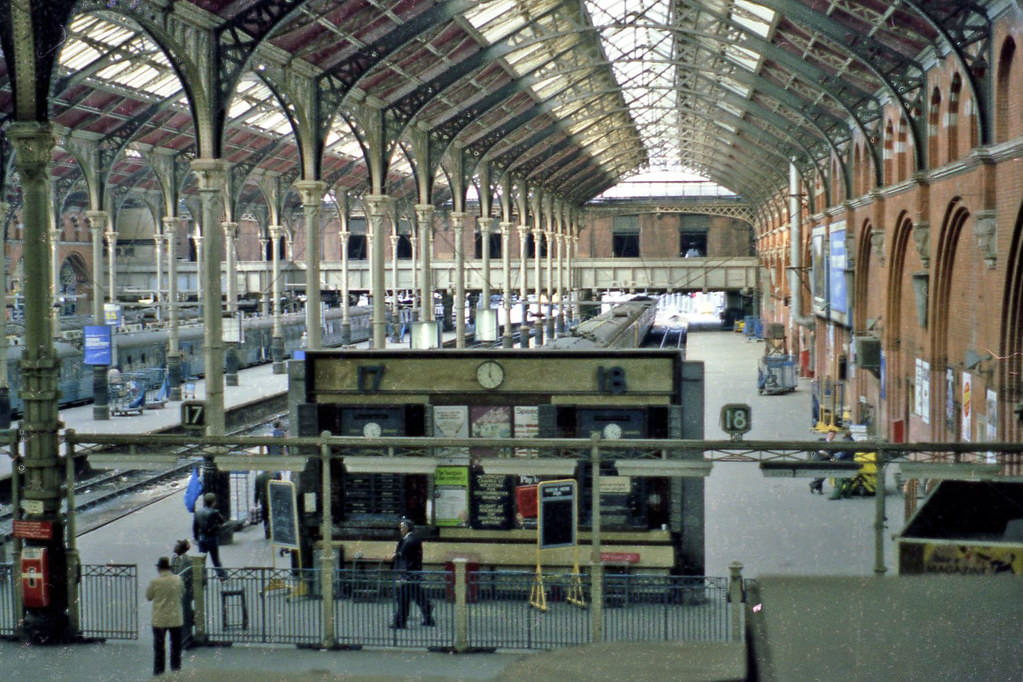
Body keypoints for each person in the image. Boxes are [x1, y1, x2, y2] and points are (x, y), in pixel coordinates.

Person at [389, 517, 434, 629]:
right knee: (418, 597)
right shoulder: (411, 539)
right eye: (400, 527)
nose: (401, 529)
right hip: (412, 574)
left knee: (403, 599)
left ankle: (400, 622)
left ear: (408, 528)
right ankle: (428, 616)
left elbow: (403, 556)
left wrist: (397, 557)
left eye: (403, 527)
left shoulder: (410, 540)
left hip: (409, 574)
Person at [146, 556, 184, 676]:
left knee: (159, 648)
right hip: (175, 618)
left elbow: (148, 596)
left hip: (159, 619)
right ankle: (176, 671)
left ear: (159, 569)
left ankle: (159, 672)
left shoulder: (155, 582)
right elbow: (182, 592)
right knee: (176, 647)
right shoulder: (178, 579)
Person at [193, 492, 227, 579]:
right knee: (215, 559)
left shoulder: (198, 512)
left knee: (202, 560)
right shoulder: (214, 512)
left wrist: (196, 538)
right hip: (211, 538)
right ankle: (222, 576)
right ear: (213, 502)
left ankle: (202, 578)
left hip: (201, 538)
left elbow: (195, 527)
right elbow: (222, 521)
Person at [170, 539, 194, 649]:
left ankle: (186, 639)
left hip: (184, 591)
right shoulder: (174, 558)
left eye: (176, 546)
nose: (174, 547)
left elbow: (184, 576)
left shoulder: (188, 560)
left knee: (184, 615)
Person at [829, 433, 857, 500]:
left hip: (844, 462)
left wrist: (835, 457)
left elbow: (843, 453)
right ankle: (847, 494)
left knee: (839, 478)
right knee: (847, 479)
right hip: (850, 462)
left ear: (845, 435)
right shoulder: (853, 441)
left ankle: (836, 495)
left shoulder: (845, 442)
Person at [254, 470, 280, 539]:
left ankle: (267, 532)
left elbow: (256, 491)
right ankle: (272, 531)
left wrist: (255, 501)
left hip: (263, 500)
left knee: (265, 516)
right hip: (273, 499)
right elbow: (279, 488)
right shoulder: (275, 475)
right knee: (273, 515)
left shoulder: (258, 477)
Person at [809, 429, 836, 495]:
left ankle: (812, 485)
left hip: (826, 461)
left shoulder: (834, 444)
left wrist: (831, 458)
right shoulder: (821, 440)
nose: (831, 436)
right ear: (828, 434)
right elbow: (814, 447)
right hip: (817, 459)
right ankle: (819, 490)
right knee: (818, 474)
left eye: (833, 435)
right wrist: (820, 451)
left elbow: (832, 454)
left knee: (824, 474)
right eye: (830, 434)